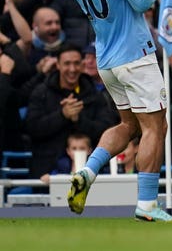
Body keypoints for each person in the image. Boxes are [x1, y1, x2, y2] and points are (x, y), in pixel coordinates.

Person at [64, 0, 172, 221]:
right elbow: (142, 4)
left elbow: (113, 2)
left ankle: (87, 172)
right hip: (135, 55)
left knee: (128, 125)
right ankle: (147, 205)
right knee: (156, 126)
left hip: (106, 58)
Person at [25, 43, 117, 179]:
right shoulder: (41, 92)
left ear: (82, 65)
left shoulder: (94, 94)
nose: (72, 69)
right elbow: (31, 128)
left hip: (90, 172)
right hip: (47, 173)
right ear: (58, 65)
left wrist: (79, 119)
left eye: (76, 63)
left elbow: (106, 129)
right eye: (67, 64)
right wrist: (62, 115)